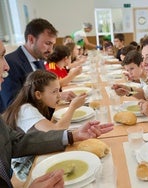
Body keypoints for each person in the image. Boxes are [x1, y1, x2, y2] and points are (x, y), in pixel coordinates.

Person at [0, 40, 114, 188]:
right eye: (1, 56)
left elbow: (18, 142)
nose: (7, 66)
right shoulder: (26, 109)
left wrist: (73, 135)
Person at [2, 70, 87, 181]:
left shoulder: (33, 104)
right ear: (38, 94)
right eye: (54, 92)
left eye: (59, 91)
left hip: (35, 151)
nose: (59, 96)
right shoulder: (26, 110)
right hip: (25, 167)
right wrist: (72, 107)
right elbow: (56, 131)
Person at [0, 18, 75, 113]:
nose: (51, 50)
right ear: (31, 39)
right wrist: (56, 96)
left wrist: (57, 95)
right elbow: (12, 106)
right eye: (47, 43)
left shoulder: (39, 60)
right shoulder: (10, 63)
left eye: (52, 45)